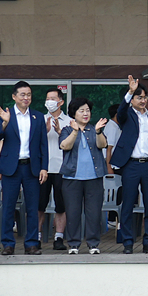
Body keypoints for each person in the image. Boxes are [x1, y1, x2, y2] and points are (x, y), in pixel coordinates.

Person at [111, 76, 148, 254]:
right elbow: (120, 113)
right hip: (131, 166)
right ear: (132, 99)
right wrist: (129, 92)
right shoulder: (127, 116)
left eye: (144, 97)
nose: (143, 100)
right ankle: (127, 242)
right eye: (139, 97)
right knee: (128, 204)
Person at [0, 81, 48, 256]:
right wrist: (4, 123)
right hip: (11, 168)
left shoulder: (38, 117)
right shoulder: (5, 114)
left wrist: (44, 168)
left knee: (32, 207)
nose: (26, 98)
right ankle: (8, 244)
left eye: (29, 95)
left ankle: (31, 244)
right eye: (23, 94)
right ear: (14, 96)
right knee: (8, 207)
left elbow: (43, 145)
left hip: (31, 167)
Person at [58, 96, 109, 254]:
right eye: (82, 111)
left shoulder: (95, 129)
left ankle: (93, 244)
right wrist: (75, 131)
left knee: (93, 212)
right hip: (72, 179)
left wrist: (99, 131)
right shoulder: (67, 129)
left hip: (94, 178)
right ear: (74, 113)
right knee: (73, 212)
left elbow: (103, 144)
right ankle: (73, 244)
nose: (86, 113)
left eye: (88, 110)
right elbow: (64, 146)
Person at [40, 87, 71, 250]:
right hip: (42, 169)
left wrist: (60, 132)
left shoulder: (69, 121)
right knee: (39, 204)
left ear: (61, 101)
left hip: (62, 168)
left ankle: (58, 237)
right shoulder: (39, 120)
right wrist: (44, 131)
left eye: (53, 98)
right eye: (47, 98)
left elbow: (72, 145)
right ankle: (36, 236)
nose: (49, 102)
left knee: (61, 205)